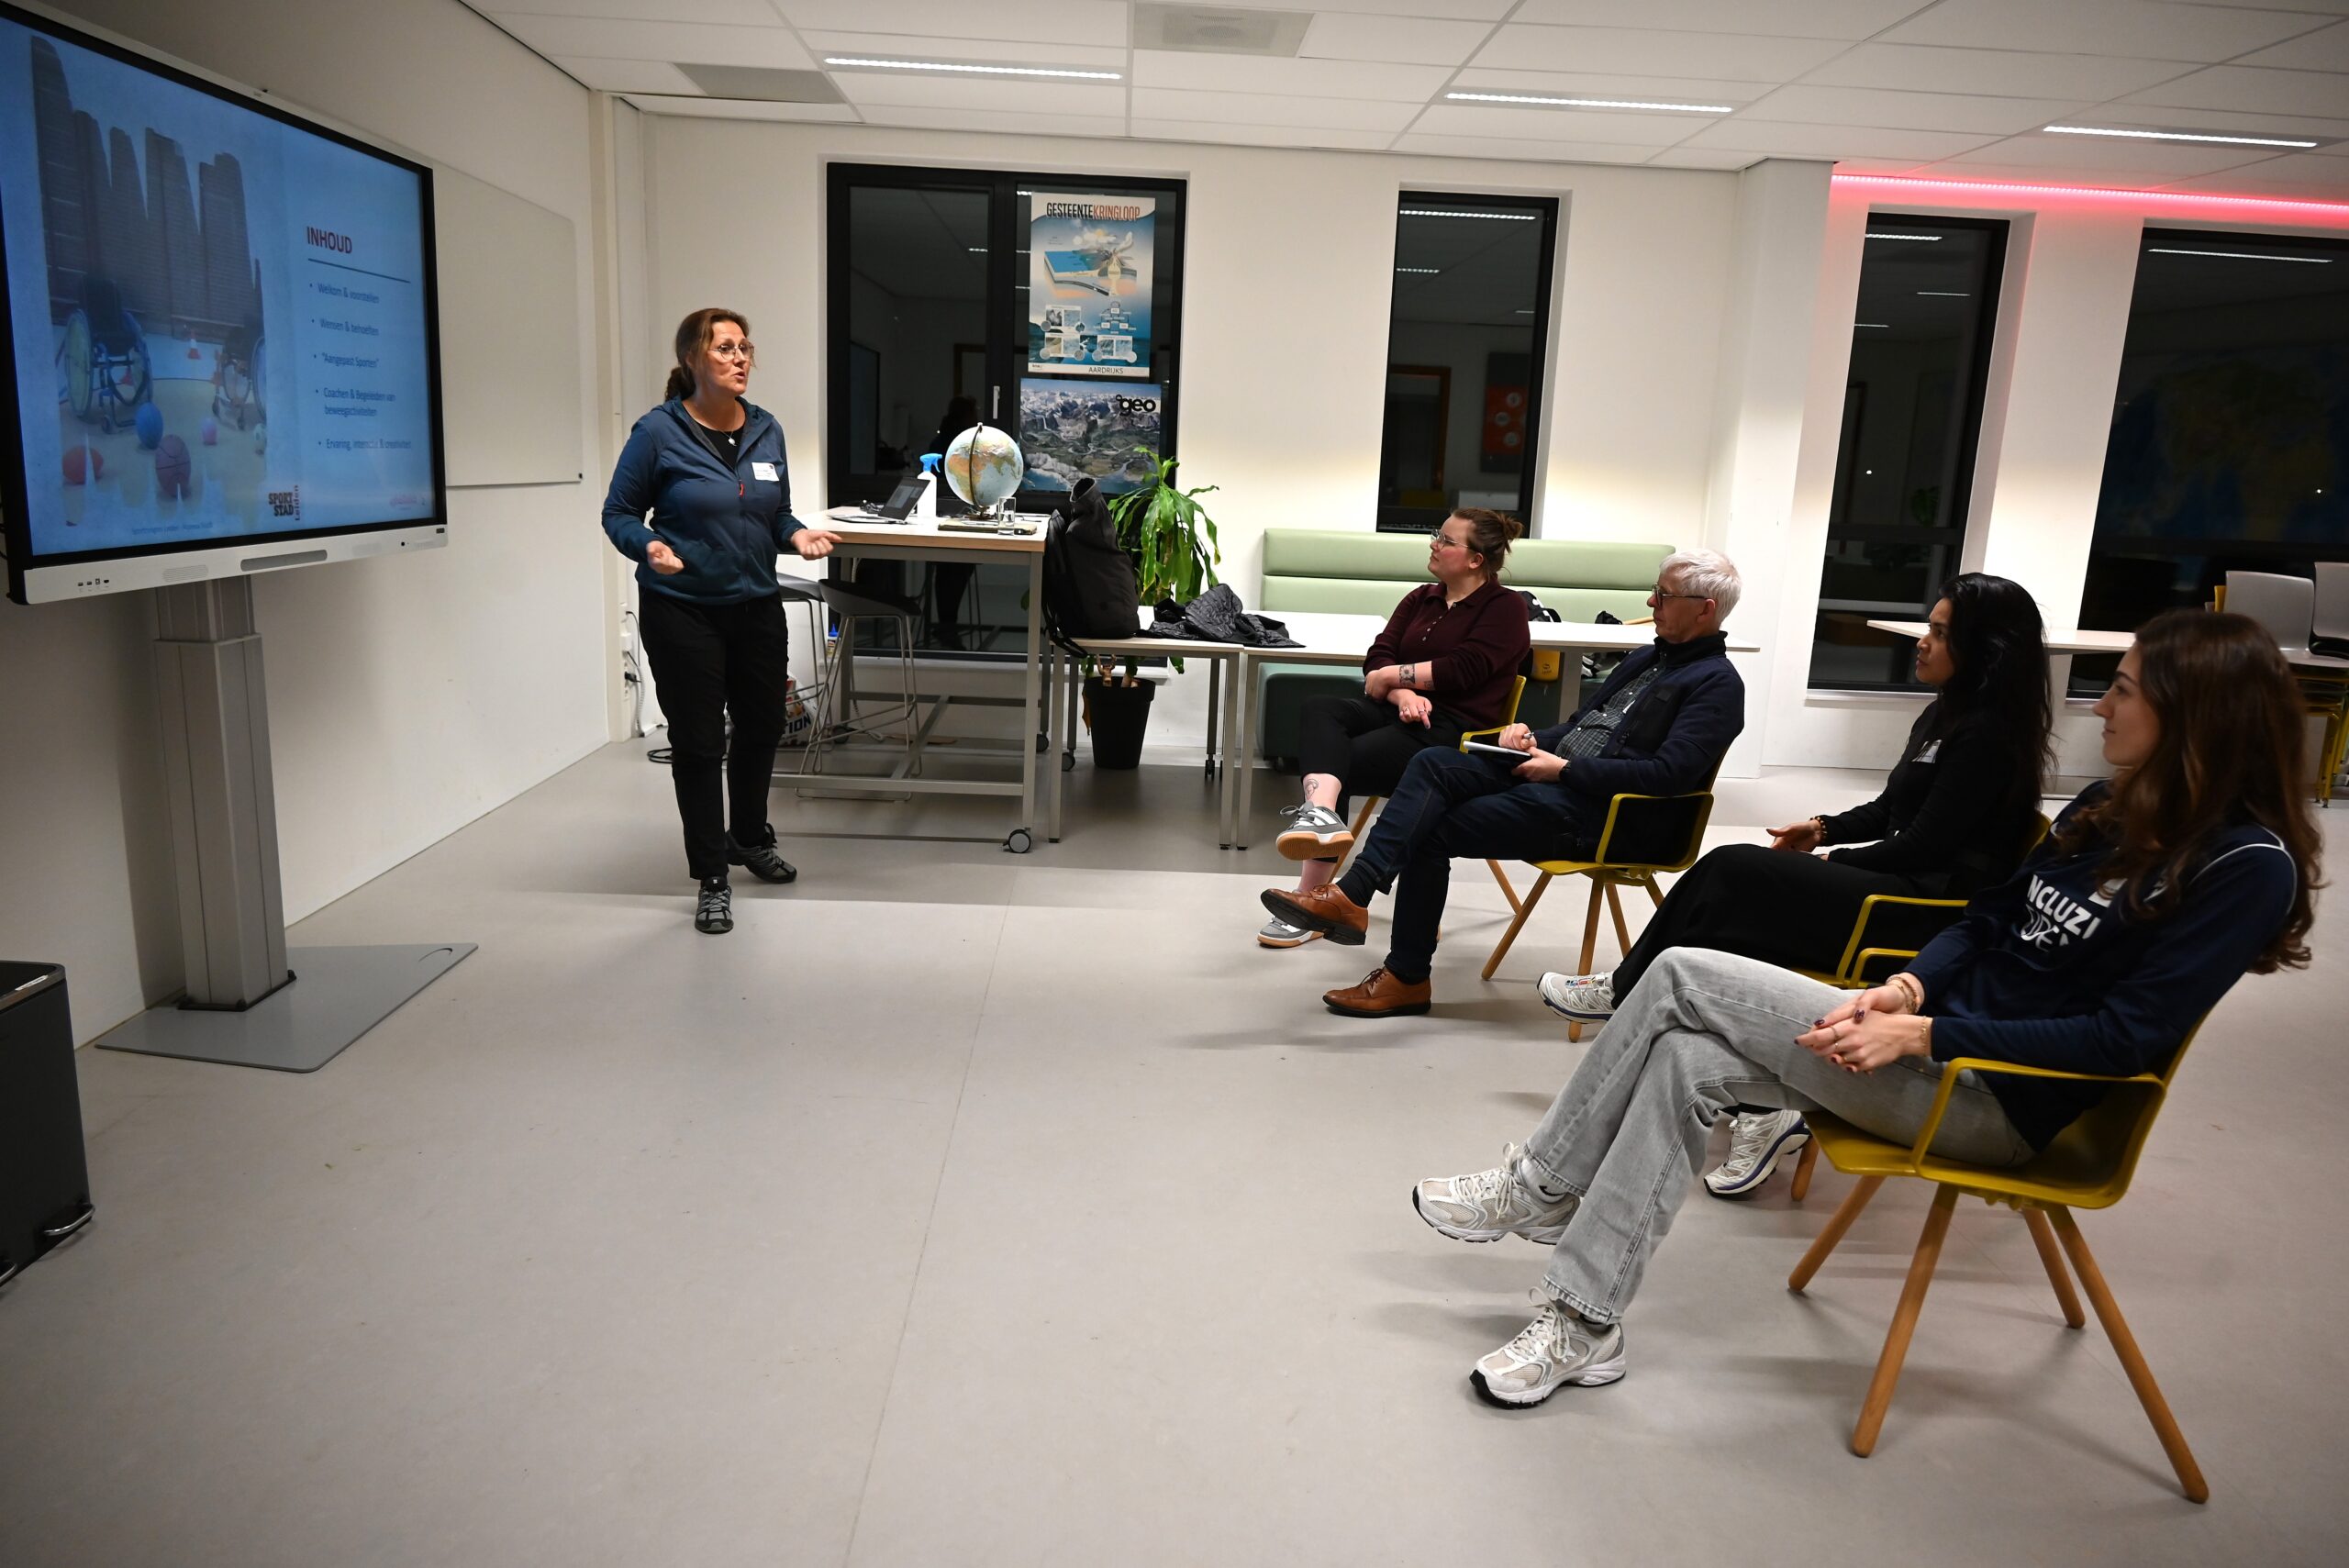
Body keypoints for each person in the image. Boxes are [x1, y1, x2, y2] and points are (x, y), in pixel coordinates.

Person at [1408, 609, 2318, 1409]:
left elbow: (2122, 1039)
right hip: (1926, 1044)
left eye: (2121, 689)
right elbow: (1988, 918)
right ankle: (1584, 1321)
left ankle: (1540, 1182)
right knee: (1683, 1056)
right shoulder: (2109, 804)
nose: (2100, 706)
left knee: (1681, 972)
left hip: (1993, 1096)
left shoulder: (2245, 867)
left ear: (2192, 711)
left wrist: (1928, 1029)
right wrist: (1911, 986)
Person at [1539, 573, 2054, 1198]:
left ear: (1985, 650)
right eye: (1930, 627)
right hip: (1895, 881)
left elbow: (1925, 846)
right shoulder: (1945, 712)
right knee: (1736, 908)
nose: (1922, 641)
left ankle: (1631, 996)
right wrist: (1822, 827)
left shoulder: (1988, 736)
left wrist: (1833, 860)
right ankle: (1760, 1104)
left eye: (1941, 633)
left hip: (1917, 908)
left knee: (1735, 872)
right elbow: (1890, 810)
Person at [1261, 550, 1746, 1017]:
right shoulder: (1644, 658)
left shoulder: (1717, 685)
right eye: (1656, 590)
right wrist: (1531, 738)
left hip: (1605, 815)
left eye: (1664, 595)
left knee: (1429, 827)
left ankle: (1399, 967)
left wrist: (1564, 770)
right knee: (1433, 763)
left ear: (1705, 609)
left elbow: (1668, 776)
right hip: (1557, 779)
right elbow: (1578, 728)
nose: (1651, 601)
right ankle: (1355, 901)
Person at [601, 308, 841, 935]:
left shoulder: (766, 428)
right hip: (683, 611)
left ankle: (750, 837)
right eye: (725, 348)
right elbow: (618, 512)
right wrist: (648, 546)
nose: (741, 359)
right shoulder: (658, 432)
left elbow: (775, 514)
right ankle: (712, 876)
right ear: (692, 360)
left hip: (756, 604)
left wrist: (798, 535)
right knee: (700, 743)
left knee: (763, 726)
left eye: (745, 348)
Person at [1259, 509, 1532, 949]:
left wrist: (1390, 677)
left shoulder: (1505, 608)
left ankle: (1310, 899)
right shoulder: (1421, 597)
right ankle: (1321, 815)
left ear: (1475, 559)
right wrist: (1401, 692)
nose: (1434, 544)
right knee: (1320, 709)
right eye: (1437, 535)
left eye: (1446, 540)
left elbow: (1463, 669)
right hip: (1397, 711)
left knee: (1339, 759)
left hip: (1451, 731)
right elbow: (1378, 656)